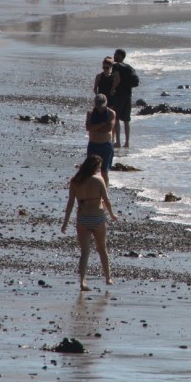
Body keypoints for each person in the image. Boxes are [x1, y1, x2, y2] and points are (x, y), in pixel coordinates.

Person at [61, 154, 118, 291]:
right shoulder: (99, 180)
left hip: (83, 219)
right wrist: (112, 215)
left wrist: (65, 223)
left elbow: (70, 204)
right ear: (96, 167)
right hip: (97, 218)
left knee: (85, 252)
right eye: (99, 167)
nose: (100, 169)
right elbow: (106, 200)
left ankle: (82, 281)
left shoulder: (75, 181)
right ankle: (108, 278)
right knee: (102, 249)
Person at [86, 93, 116, 185]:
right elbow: (88, 128)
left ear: (106, 103)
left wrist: (95, 127)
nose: (100, 108)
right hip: (93, 145)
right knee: (90, 171)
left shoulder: (111, 113)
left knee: (104, 171)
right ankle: (92, 191)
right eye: (98, 105)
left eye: (102, 105)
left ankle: (104, 193)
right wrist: (102, 124)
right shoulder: (90, 113)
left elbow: (109, 128)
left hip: (106, 145)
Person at [110, 48, 138, 148]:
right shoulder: (129, 67)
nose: (114, 56)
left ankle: (118, 142)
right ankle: (127, 143)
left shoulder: (116, 66)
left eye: (116, 54)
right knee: (126, 120)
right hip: (128, 94)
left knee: (116, 118)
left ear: (121, 56)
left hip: (119, 94)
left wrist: (112, 89)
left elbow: (117, 79)